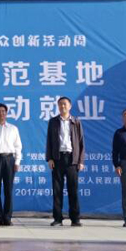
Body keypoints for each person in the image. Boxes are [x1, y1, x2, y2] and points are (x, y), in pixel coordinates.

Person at [45, 96, 85, 227]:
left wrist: (81, 161)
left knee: (73, 190)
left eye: (65, 104)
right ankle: (58, 218)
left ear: (70, 106)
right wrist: (50, 158)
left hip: (72, 159)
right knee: (57, 190)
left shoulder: (76, 122)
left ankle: (75, 219)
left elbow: (81, 142)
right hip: (57, 158)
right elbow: (49, 141)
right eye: (60, 104)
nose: (62, 106)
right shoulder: (53, 122)